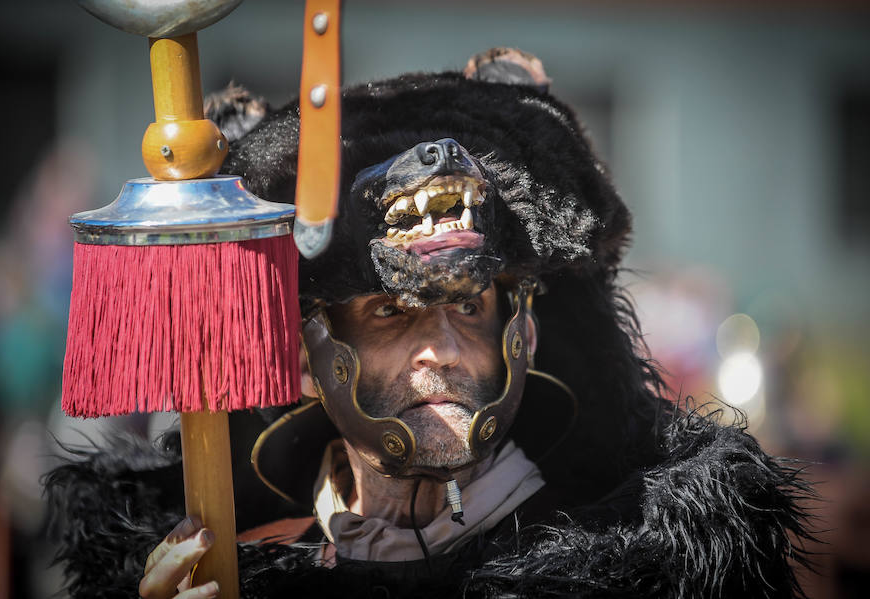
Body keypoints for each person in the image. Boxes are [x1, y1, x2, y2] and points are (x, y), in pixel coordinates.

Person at [47, 50, 813, 598]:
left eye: (470, 306)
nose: (442, 351)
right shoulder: (239, 574)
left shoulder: (659, 574)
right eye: (390, 312)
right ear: (309, 355)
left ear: (525, 330)